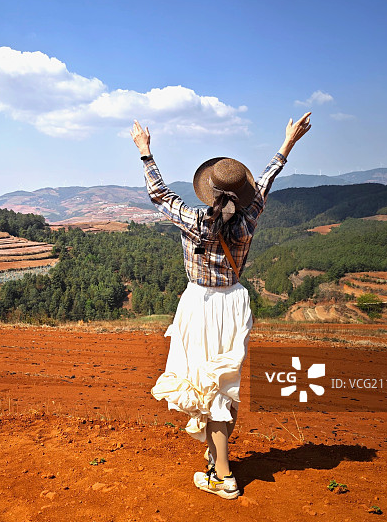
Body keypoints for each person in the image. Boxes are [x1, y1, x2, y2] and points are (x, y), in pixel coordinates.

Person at [130, 113, 311, 499]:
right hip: (234, 304)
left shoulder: (195, 222)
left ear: (207, 191)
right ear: (240, 195)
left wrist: (145, 152)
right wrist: (288, 142)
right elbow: (265, 181)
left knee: (209, 389)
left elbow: (160, 194)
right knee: (224, 385)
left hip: (200, 305)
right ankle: (216, 460)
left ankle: (223, 477)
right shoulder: (249, 220)